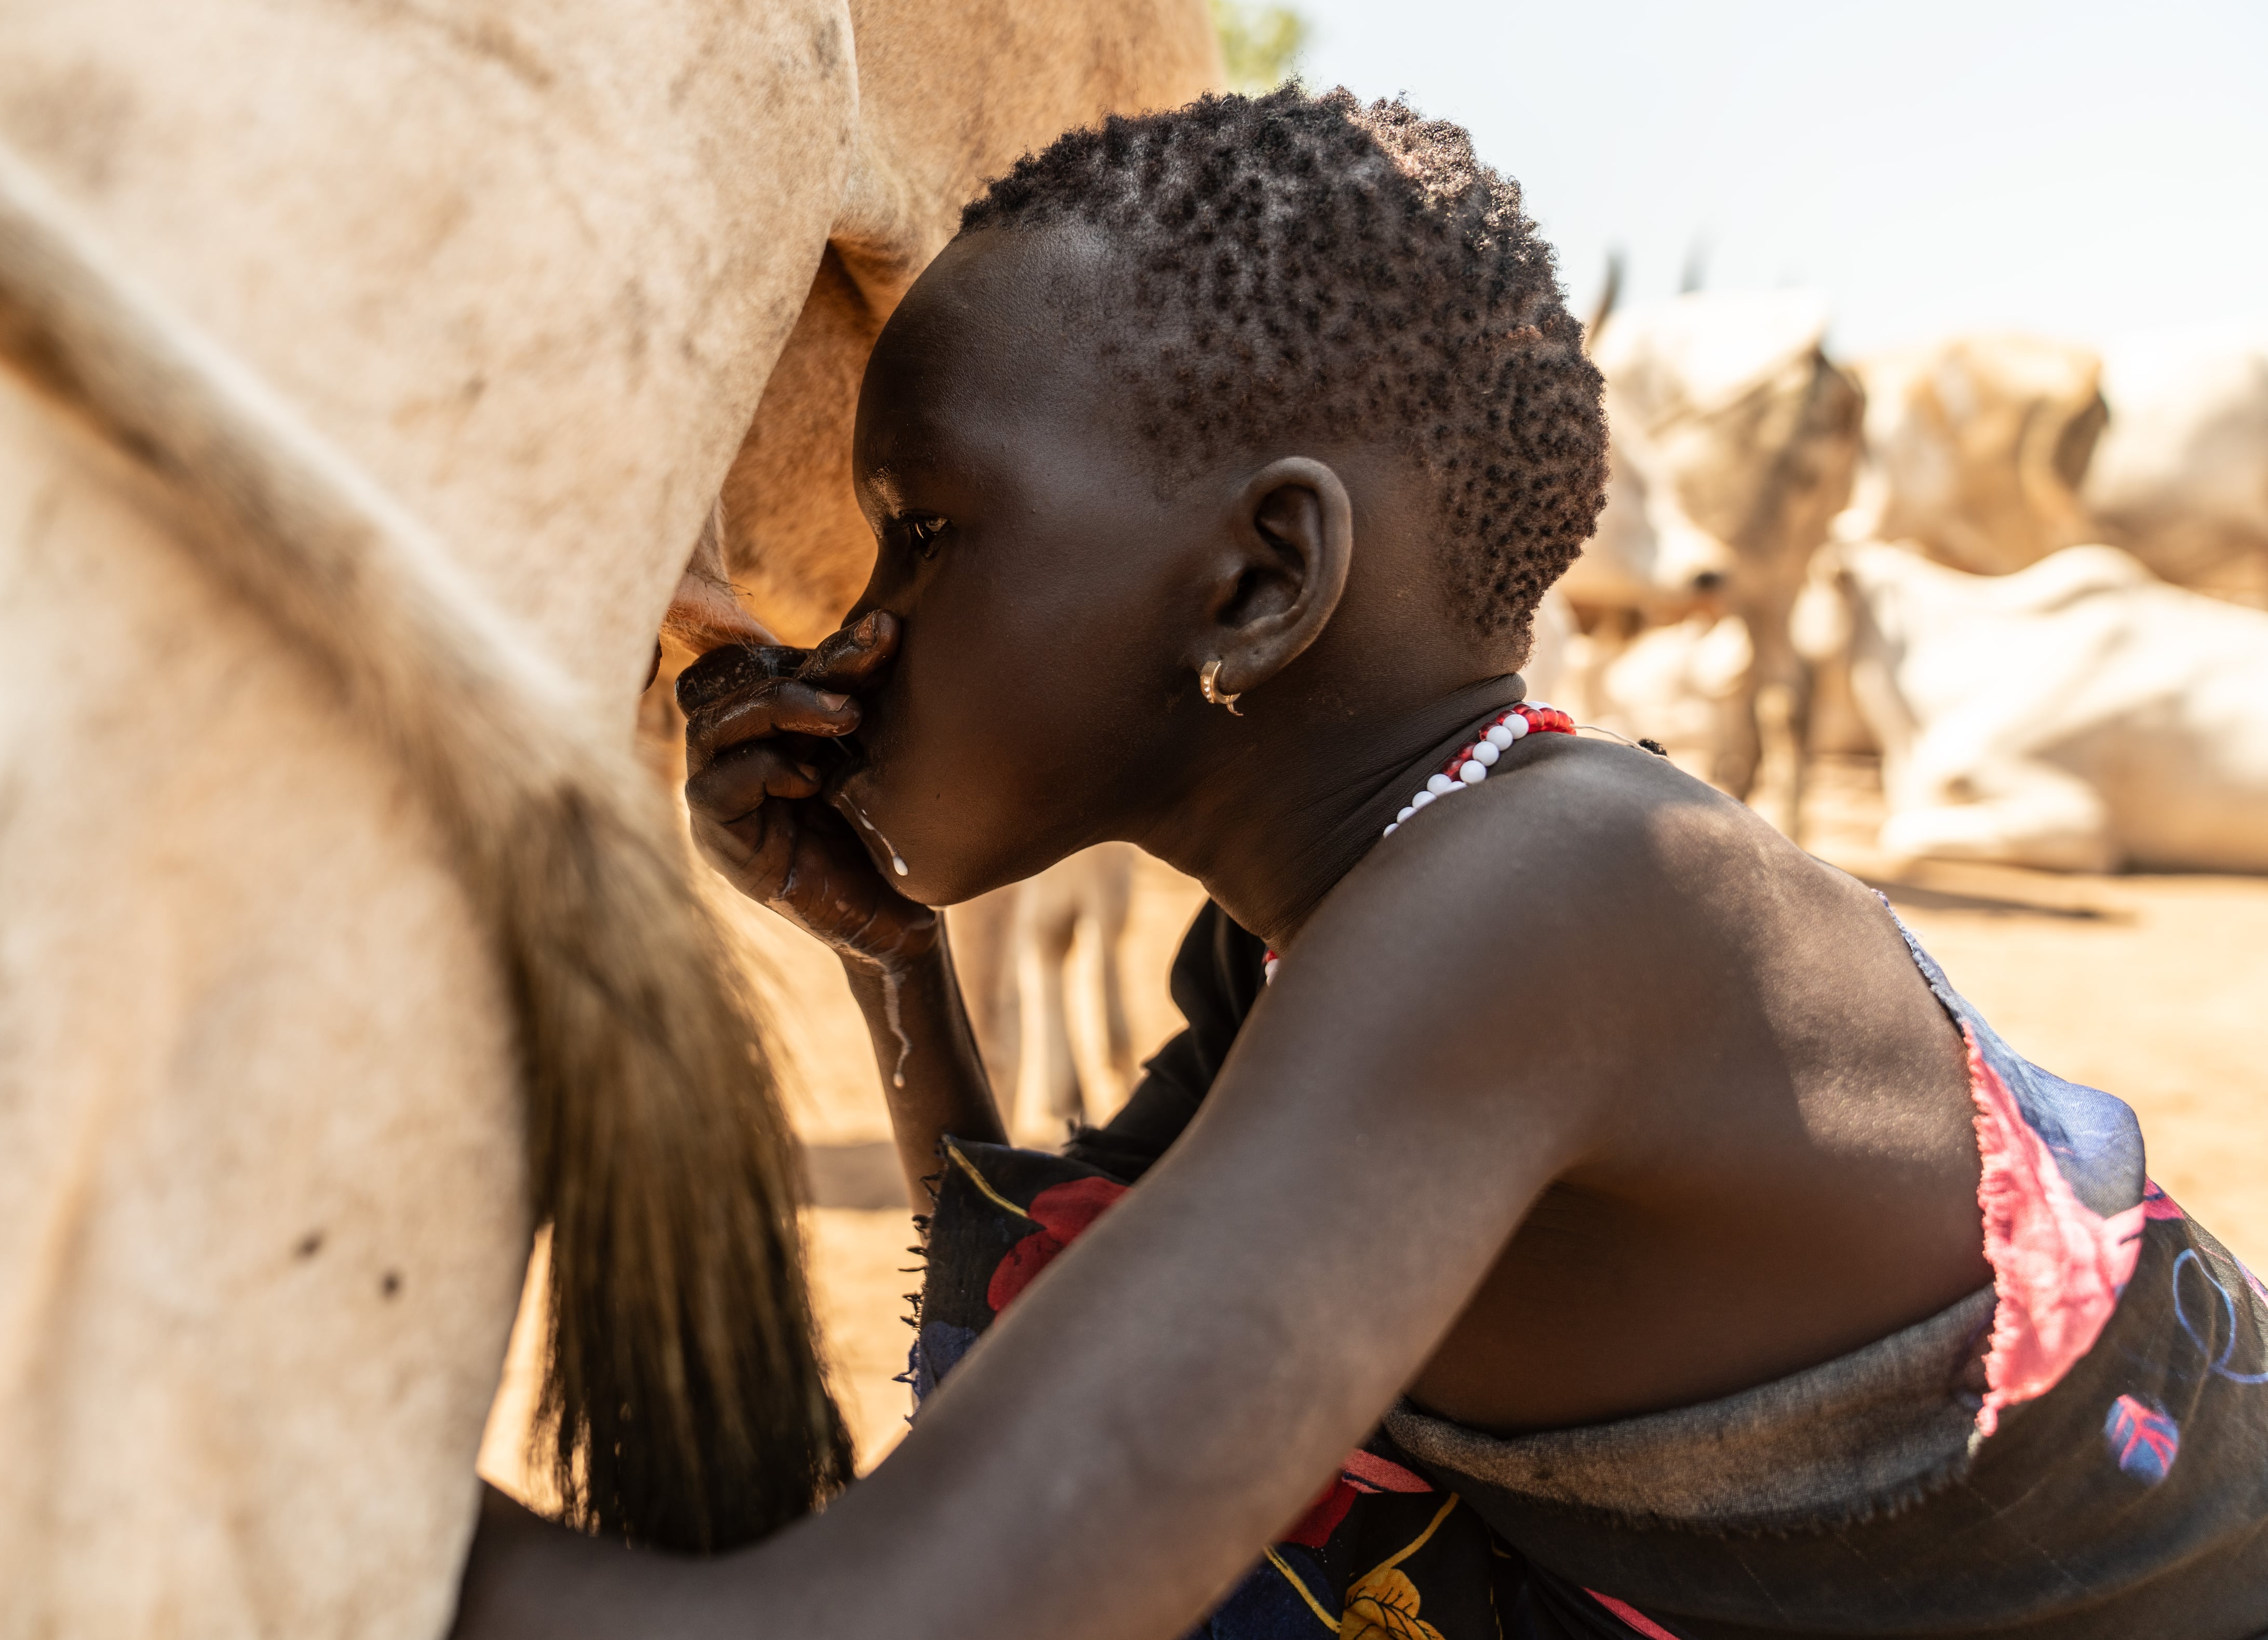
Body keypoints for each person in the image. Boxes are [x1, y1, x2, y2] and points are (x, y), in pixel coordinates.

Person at [453, 88, 2268, 1639]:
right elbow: (1049, 1374)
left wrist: (278, 1411)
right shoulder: (1340, 923)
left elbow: (912, 1616)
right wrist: (892, 959)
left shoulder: (1545, 906)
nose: (857, 636)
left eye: (922, 533)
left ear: (1260, 581)